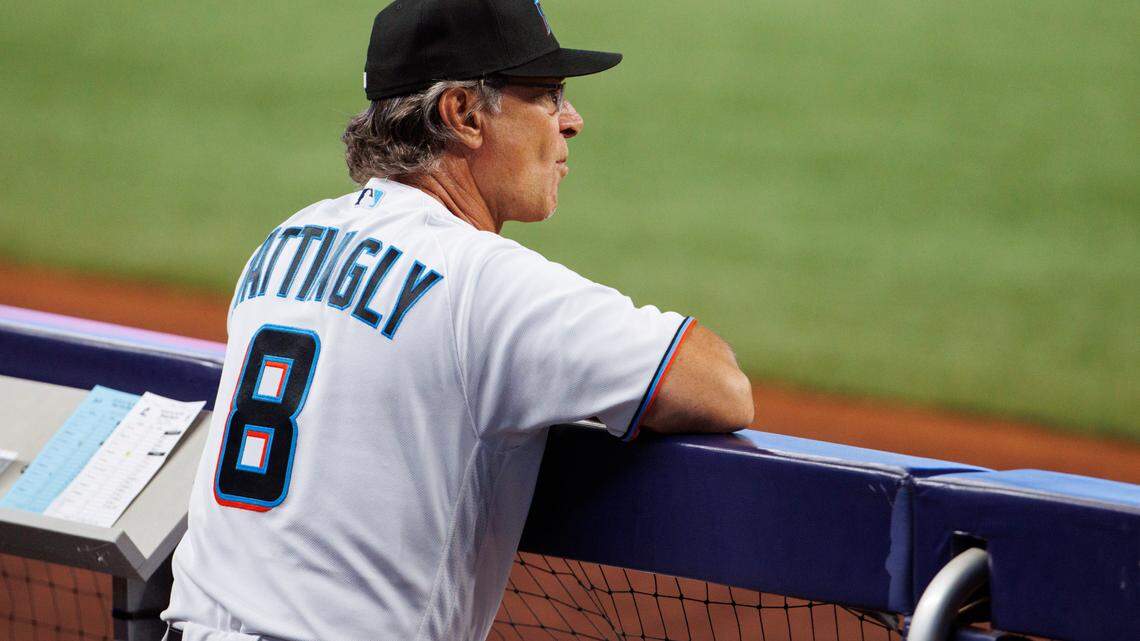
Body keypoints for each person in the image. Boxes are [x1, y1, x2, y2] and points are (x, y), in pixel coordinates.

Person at [162, 1, 753, 639]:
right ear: (464, 115)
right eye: (548, 95)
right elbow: (720, 388)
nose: (572, 121)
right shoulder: (486, 282)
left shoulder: (284, 241)